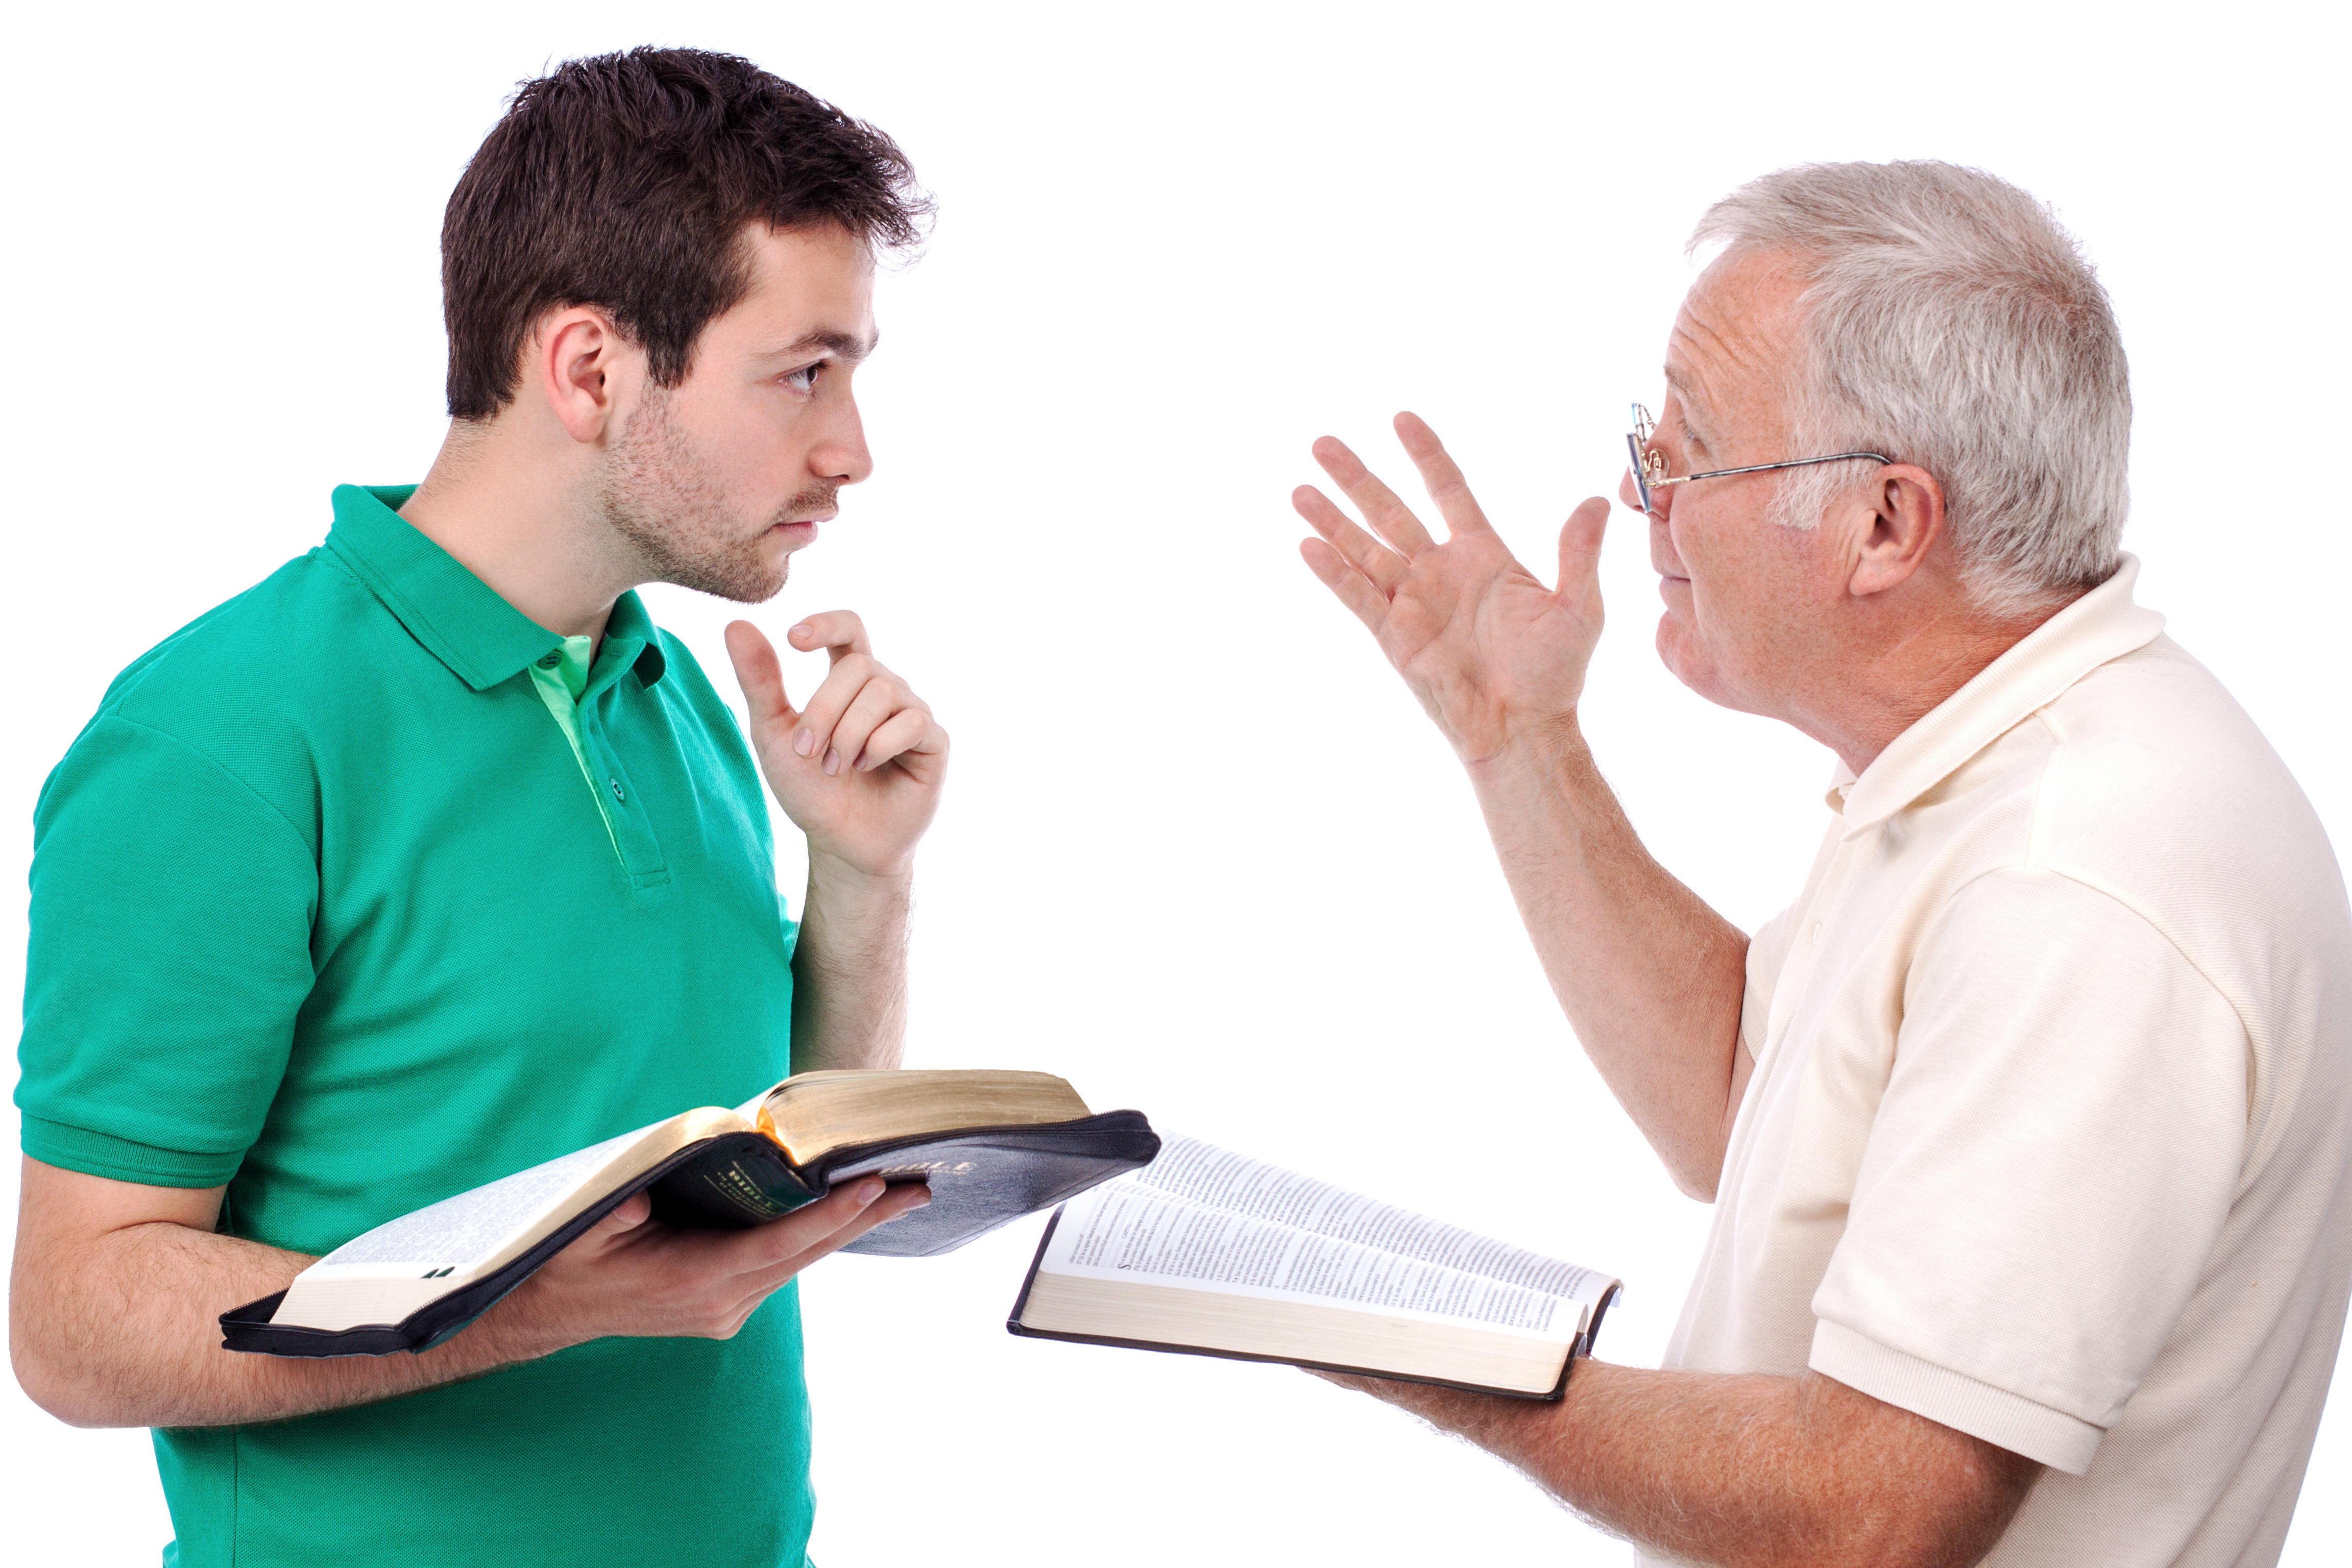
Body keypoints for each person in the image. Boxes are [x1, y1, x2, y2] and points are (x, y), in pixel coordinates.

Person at [1291, 160, 2352, 1567]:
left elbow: (1874, 1510)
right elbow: (1744, 1096)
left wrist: (1424, 1355)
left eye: (1687, 454)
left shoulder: (2076, 878)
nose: (1636, 492)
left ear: (1885, 526)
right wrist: (1516, 740)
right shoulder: (1997, 761)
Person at [11, 48, 944, 1568]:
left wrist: (863, 873)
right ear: (589, 370)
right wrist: (537, 1312)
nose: (851, 449)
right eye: (802, 371)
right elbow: (74, 1319)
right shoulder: (224, 733)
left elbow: (776, 1168)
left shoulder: (677, 695)